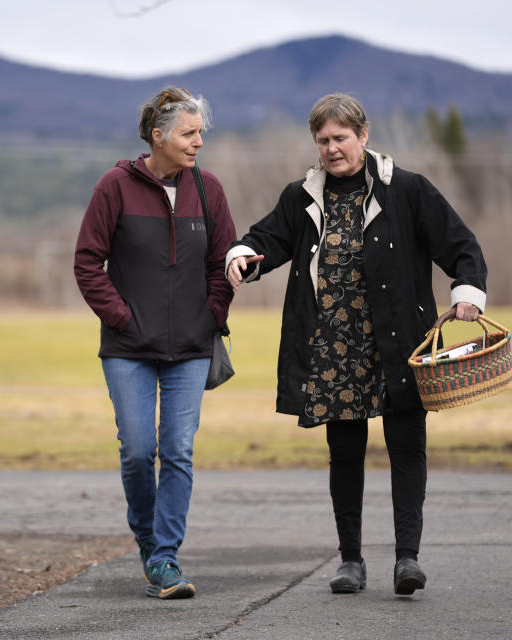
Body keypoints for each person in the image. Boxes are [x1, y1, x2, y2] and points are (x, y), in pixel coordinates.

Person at [225, 93, 487, 596]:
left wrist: (467, 292)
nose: (331, 148)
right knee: (344, 453)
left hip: (399, 347)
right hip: (332, 350)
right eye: (322, 140)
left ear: (363, 136)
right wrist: (243, 255)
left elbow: (461, 246)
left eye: (340, 138)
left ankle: (407, 559)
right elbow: (267, 240)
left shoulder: (407, 190)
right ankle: (350, 561)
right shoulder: (300, 197)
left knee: (406, 448)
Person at [74, 86, 236, 599]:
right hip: (128, 348)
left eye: (200, 133)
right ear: (157, 136)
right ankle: (145, 537)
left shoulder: (208, 190)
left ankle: (165, 558)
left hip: (190, 346)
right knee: (139, 452)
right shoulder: (114, 187)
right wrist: (121, 317)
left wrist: (212, 313)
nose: (198, 143)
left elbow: (223, 261)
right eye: (189, 134)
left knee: (179, 451)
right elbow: (86, 263)